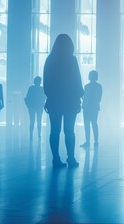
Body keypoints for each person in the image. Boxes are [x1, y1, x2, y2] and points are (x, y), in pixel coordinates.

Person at [43, 34, 84, 168]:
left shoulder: (50, 60)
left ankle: (56, 158)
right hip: (70, 101)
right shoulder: (72, 60)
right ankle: (71, 158)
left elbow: (46, 81)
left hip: (54, 100)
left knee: (54, 131)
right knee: (69, 131)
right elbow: (77, 80)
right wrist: (79, 97)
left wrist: (49, 96)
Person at [81, 70, 102, 147]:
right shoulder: (98, 86)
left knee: (89, 124)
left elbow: (85, 97)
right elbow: (99, 98)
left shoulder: (87, 86)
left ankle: (88, 141)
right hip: (92, 107)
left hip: (88, 107)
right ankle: (95, 141)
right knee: (93, 123)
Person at [25, 76, 46, 141]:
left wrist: (28, 105)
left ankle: (31, 135)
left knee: (32, 121)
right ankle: (39, 135)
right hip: (39, 107)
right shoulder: (42, 89)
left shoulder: (31, 88)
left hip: (32, 107)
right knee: (38, 121)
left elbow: (27, 97)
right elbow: (44, 97)